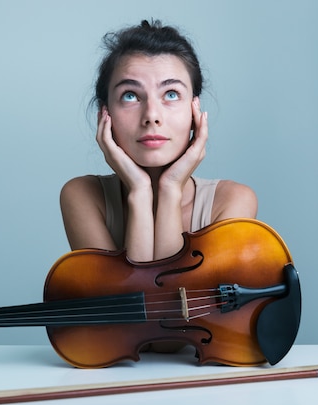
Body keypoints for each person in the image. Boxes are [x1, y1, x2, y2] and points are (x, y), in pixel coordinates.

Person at [60, 19, 257, 263]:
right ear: (105, 113)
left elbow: (173, 298)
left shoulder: (232, 202)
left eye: (171, 94)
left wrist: (171, 188)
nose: (152, 116)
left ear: (194, 110)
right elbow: (130, 299)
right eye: (130, 96)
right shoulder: (82, 196)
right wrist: (140, 192)